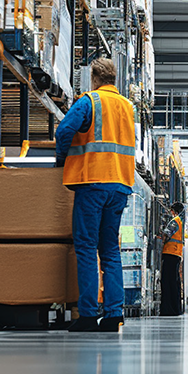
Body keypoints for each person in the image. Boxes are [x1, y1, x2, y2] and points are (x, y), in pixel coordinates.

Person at [55, 57, 136, 333]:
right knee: (111, 250)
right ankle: (114, 314)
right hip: (120, 185)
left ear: (94, 78)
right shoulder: (128, 106)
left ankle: (88, 315)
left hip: (92, 182)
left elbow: (64, 130)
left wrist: (62, 157)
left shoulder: (89, 101)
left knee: (87, 248)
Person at [160, 202, 186, 316]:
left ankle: (168, 310)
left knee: (167, 282)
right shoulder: (181, 222)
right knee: (174, 282)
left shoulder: (175, 221)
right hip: (176, 254)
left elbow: (166, 234)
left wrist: (160, 236)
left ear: (173, 211)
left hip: (170, 253)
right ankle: (176, 309)